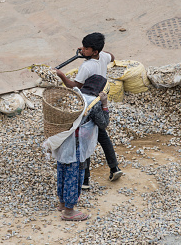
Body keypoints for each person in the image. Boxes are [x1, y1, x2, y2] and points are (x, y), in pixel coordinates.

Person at [55, 32, 122, 188]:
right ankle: (114, 167)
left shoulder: (86, 66)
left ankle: (85, 180)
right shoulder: (103, 56)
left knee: (84, 137)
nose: (83, 50)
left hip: (87, 104)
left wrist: (61, 75)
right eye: (83, 47)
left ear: (94, 51)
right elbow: (112, 57)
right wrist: (89, 53)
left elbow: (74, 86)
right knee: (101, 136)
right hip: (99, 100)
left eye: (86, 48)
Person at [43, 75, 110, 221]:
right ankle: (69, 211)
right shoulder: (94, 103)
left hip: (62, 142)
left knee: (62, 171)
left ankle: (62, 203)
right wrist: (104, 103)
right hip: (77, 145)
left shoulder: (74, 96)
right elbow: (103, 123)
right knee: (74, 175)